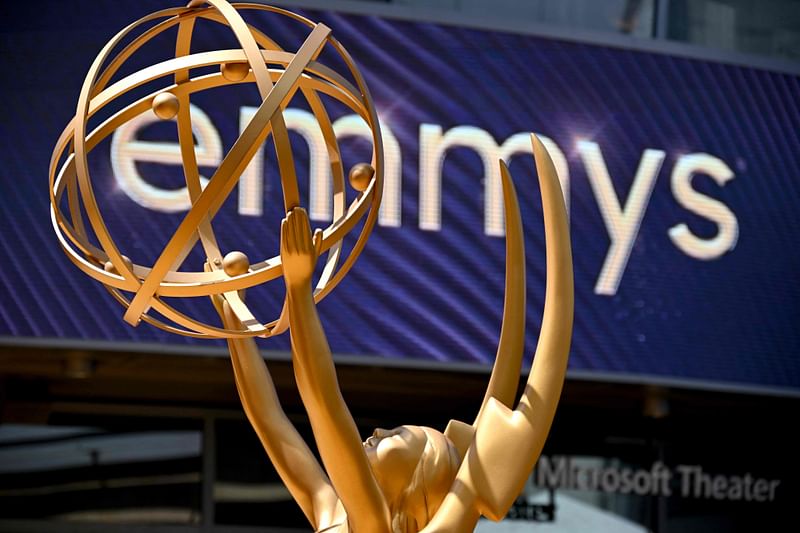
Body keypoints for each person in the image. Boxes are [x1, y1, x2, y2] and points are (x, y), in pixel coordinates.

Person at [219, 207, 460, 533]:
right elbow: (268, 419)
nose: (380, 431)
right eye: (395, 429)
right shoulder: (333, 512)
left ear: (413, 486)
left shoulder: (374, 524)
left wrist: (300, 289)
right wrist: (234, 321)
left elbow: (323, 404)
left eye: (399, 436)